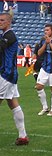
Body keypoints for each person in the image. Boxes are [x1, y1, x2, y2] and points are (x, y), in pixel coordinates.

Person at [0, 13, 29, 145]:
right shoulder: (5, 35)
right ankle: (23, 136)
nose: (0, 22)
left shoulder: (9, 35)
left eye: (2, 20)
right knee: (12, 103)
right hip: (9, 73)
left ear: (9, 22)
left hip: (6, 74)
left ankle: (23, 136)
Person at [35, 23, 52, 117]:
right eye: (45, 30)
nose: (45, 31)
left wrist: (50, 43)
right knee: (39, 86)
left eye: (47, 30)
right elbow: (39, 53)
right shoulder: (42, 41)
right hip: (45, 67)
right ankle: (45, 107)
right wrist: (45, 43)